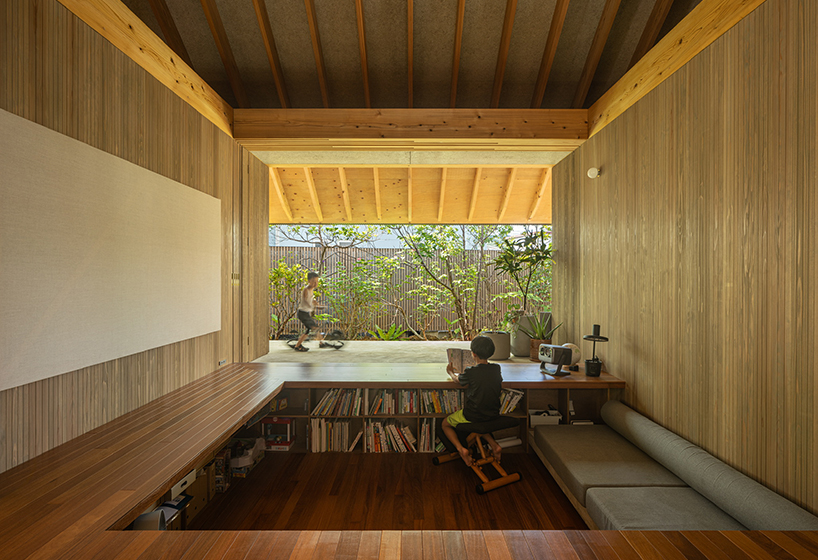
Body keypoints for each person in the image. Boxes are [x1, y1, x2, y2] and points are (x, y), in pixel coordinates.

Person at [442, 336, 503, 465]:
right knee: (481, 425)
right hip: (493, 414)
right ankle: (494, 445)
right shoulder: (496, 368)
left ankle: (461, 449)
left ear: (473, 354)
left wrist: (451, 373)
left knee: (445, 424)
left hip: (473, 415)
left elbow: (458, 381)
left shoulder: (471, 371)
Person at [293, 271, 327, 352]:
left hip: (305, 313)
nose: (315, 283)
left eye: (317, 282)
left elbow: (311, 300)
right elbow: (307, 302)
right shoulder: (306, 290)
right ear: (309, 281)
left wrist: (315, 302)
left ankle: (321, 343)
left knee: (313, 328)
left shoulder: (311, 290)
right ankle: (297, 346)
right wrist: (316, 306)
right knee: (313, 328)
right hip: (303, 313)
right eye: (313, 281)